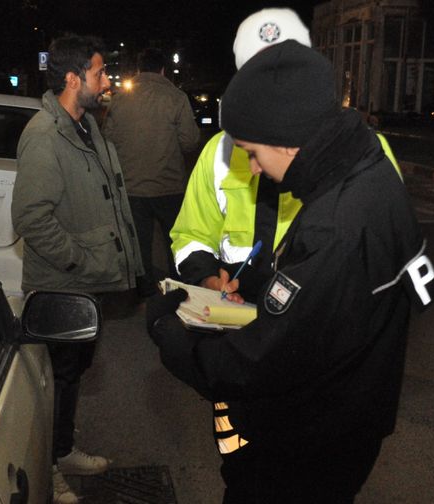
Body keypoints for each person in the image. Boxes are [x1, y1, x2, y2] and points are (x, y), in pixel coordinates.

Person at [148, 41, 434, 503]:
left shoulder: (335, 223)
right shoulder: (365, 166)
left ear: (288, 136)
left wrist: (173, 338)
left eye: (252, 150)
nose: (251, 166)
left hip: (310, 436)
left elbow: (262, 361)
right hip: (347, 415)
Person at [171, 7, 402, 304]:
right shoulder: (218, 152)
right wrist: (208, 278)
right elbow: (191, 235)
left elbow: (384, 265)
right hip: (236, 312)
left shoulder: (365, 152)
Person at [11, 34, 143, 504]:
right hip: (64, 285)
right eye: (99, 72)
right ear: (72, 78)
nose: (106, 81)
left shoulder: (84, 124)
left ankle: (62, 450)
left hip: (87, 283)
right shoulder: (45, 135)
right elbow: (31, 219)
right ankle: (49, 465)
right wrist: (80, 261)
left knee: (74, 373)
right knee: (60, 378)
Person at [103, 47, 200, 299]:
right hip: (169, 186)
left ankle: (143, 289)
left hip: (132, 186)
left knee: (140, 241)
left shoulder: (120, 98)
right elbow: (190, 141)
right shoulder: (176, 97)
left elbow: (108, 139)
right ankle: (177, 286)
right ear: (163, 70)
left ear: (138, 69)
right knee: (175, 240)